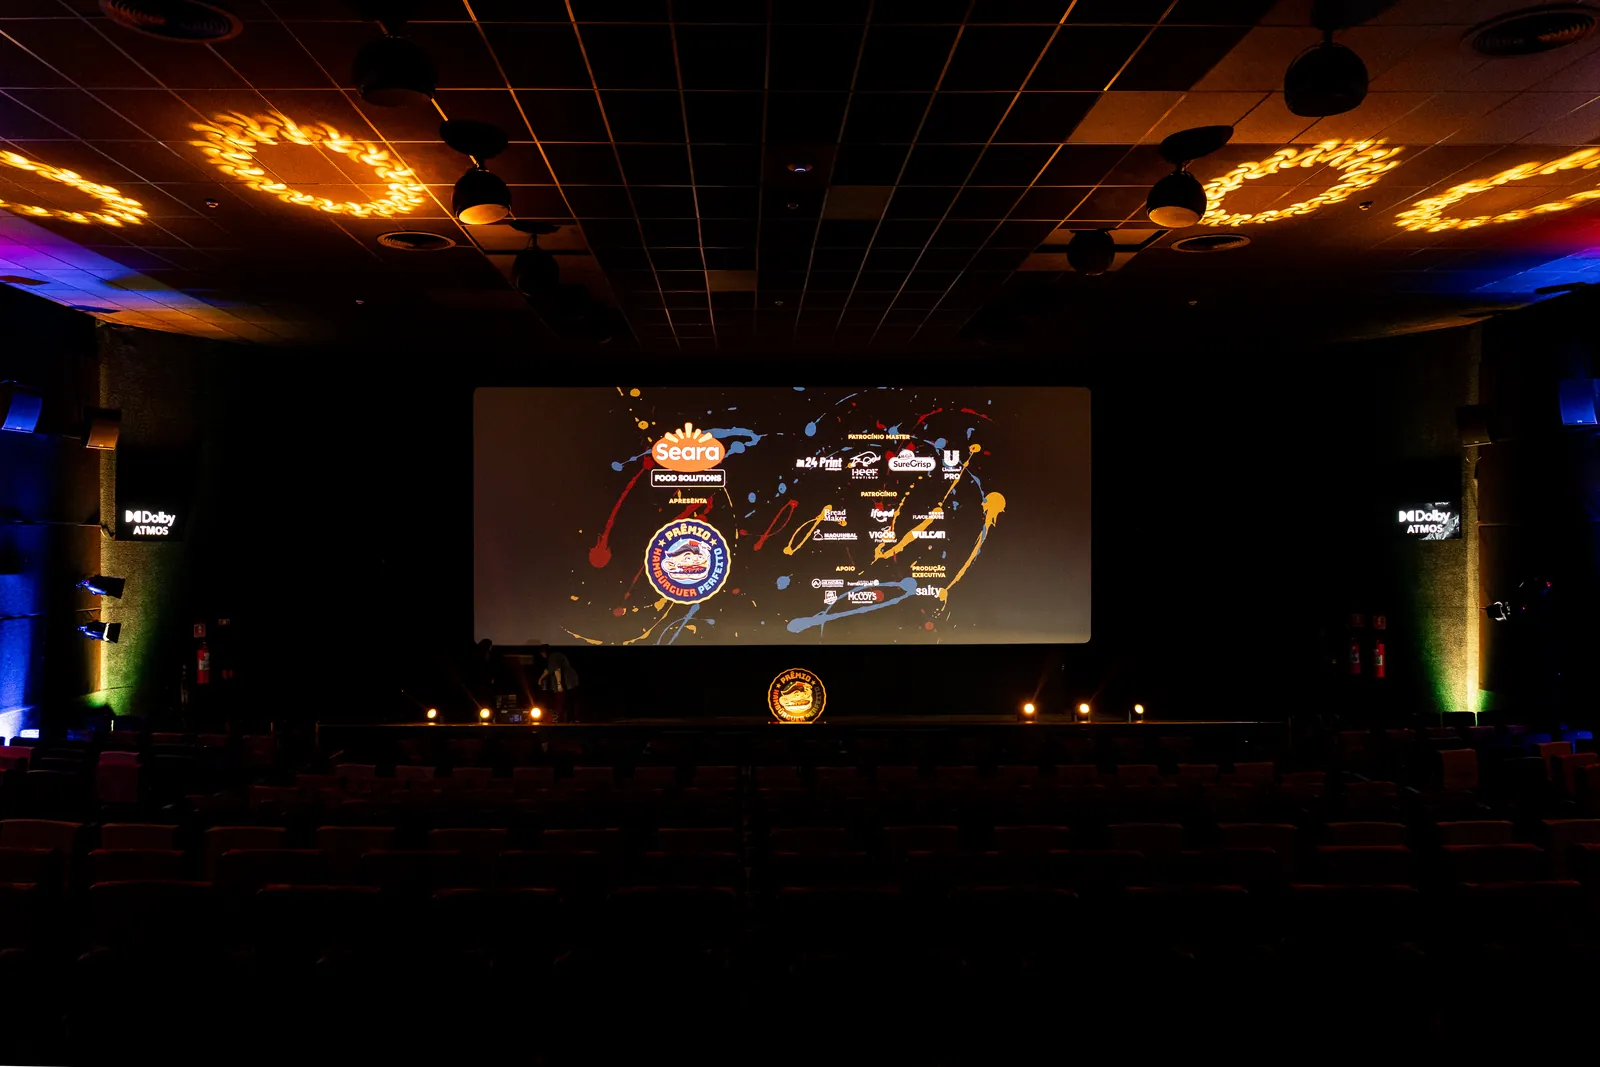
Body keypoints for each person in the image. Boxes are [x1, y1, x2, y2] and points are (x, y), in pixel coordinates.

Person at [536, 644, 581, 723]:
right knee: (566, 701)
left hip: (568, 682)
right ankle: (569, 719)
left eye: (542, 654)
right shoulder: (552, 657)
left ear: (544, 652)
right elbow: (548, 670)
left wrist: (559, 685)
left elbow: (557, 670)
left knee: (562, 700)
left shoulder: (553, 657)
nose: (542, 656)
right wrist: (540, 678)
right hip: (569, 681)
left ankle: (563, 720)